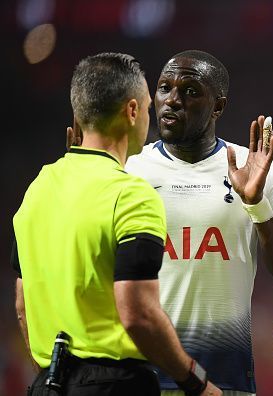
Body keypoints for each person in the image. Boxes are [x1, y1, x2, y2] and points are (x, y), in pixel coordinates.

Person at [13, 53, 220, 395]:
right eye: (150, 109)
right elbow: (138, 314)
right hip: (114, 385)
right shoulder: (131, 196)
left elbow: (23, 306)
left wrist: (54, 375)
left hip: (48, 382)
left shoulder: (38, 188)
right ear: (133, 110)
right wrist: (196, 382)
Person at [122, 50, 273, 395]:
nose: (173, 100)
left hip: (226, 379)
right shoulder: (130, 171)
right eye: (164, 88)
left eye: (190, 91)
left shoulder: (254, 168)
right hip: (141, 380)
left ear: (218, 107)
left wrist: (256, 203)